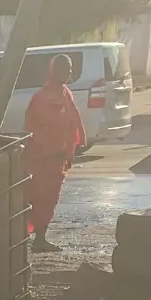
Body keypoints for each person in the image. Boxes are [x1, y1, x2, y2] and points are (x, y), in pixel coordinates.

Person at [24, 53, 86, 253]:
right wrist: (47, 150)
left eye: (68, 70)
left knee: (51, 200)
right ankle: (29, 239)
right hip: (42, 159)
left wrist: (70, 149)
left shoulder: (66, 93)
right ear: (53, 71)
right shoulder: (41, 97)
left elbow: (72, 121)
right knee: (37, 198)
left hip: (59, 159)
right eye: (63, 69)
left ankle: (40, 239)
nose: (67, 73)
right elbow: (33, 127)